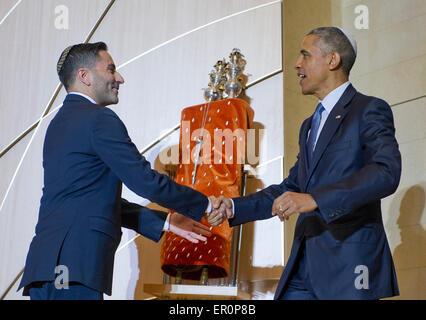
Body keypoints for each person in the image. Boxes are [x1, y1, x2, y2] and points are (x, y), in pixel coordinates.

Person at [207, 27, 402, 300]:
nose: (297, 64)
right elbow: (291, 188)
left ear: (333, 61)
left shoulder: (369, 109)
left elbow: (386, 172)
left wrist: (316, 199)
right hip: (304, 264)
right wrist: (234, 206)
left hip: (350, 266)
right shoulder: (309, 125)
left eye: (305, 55)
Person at [18, 42, 215, 300]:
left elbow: (90, 198)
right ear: (84, 76)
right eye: (111, 70)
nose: (119, 78)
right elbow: (145, 181)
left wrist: (166, 221)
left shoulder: (57, 125)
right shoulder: (99, 119)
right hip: (75, 267)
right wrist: (206, 205)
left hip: (43, 269)